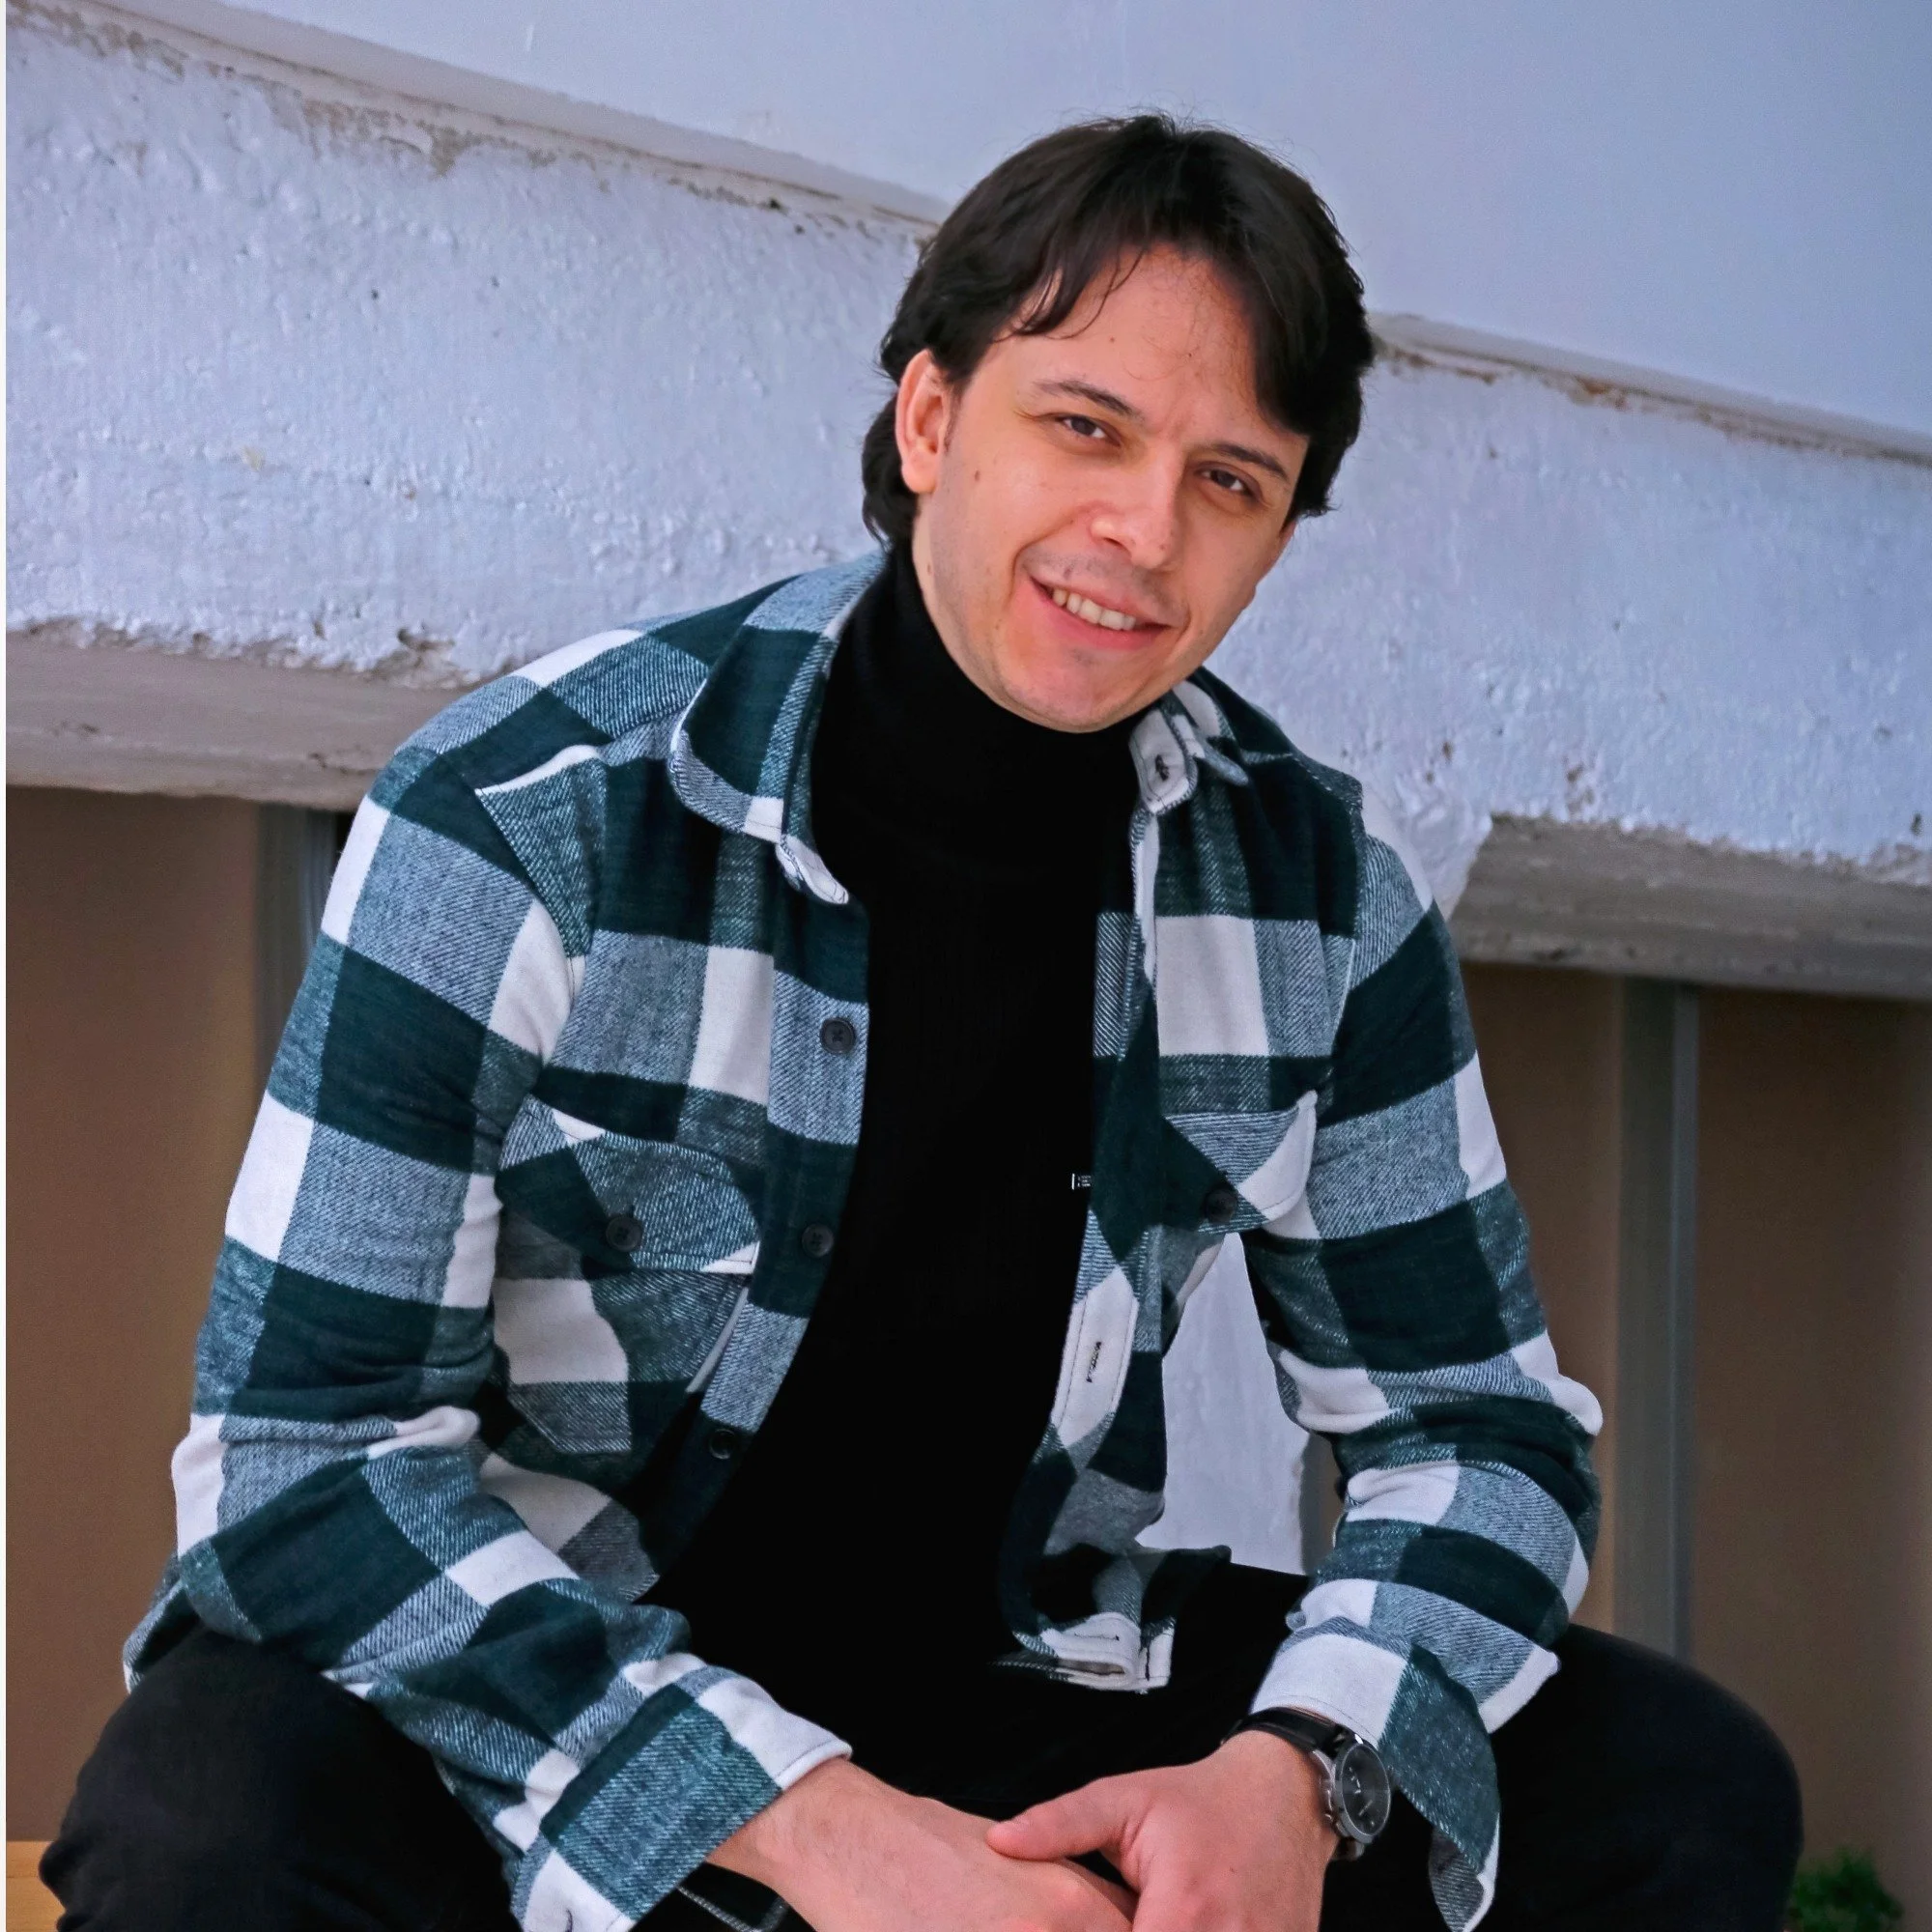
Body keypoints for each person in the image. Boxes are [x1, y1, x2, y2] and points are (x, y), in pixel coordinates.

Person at [47, 116, 1800, 1932]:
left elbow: (1477, 1437)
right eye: (1086, 427)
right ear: (931, 419)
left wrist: (1297, 1776)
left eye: (1229, 480)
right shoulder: (530, 815)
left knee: (1672, 1785)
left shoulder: (1319, 901)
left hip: (1002, 1696)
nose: (1144, 533)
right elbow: (304, 1467)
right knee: (208, 1808)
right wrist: (818, 1828)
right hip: (557, 1701)